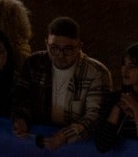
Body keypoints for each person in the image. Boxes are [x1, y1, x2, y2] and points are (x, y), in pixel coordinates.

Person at [11, 16, 112, 148]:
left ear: (79, 46)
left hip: (77, 145)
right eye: (54, 48)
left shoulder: (97, 73)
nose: (60, 54)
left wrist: (66, 135)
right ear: (46, 43)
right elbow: (21, 97)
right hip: (38, 139)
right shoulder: (34, 63)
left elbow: (95, 116)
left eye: (68, 49)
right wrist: (21, 118)